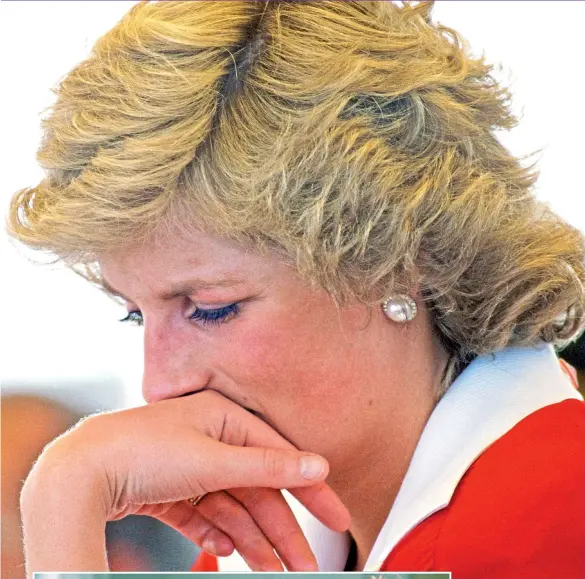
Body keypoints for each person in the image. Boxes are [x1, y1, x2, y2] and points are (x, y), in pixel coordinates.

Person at [7, 1, 585, 577]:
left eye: (212, 310)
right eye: (136, 315)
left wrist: (61, 509)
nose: (158, 386)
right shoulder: (256, 546)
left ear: (401, 261)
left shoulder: (560, 516)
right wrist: (63, 494)